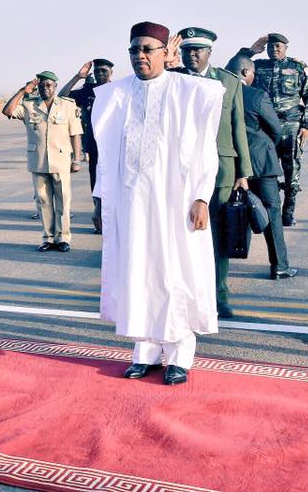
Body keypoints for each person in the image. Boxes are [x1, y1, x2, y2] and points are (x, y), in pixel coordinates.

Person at [92, 21, 223, 386]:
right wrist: (103, 200)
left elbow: (204, 149)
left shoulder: (188, 91)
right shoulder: (115, 96)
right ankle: (145, 351)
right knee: (138, 271)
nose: (140, 56)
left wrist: (201, 195)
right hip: (132, 202)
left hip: (174, 202)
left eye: (148, 49)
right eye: (134, 49)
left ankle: (179, 353)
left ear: (167, 53)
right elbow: (104, 155)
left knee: (173, 270)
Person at [176, 27, 252, 319]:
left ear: (209, 53)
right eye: (187, 50)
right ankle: (187, 294)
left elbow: (238, 126)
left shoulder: (228, 82)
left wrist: (243, 171)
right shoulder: (175, 80)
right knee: (184, 234)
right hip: (182, 169)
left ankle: (220, 294)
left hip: (221, 169)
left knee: (218, 235)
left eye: (197, 50)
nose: (191, 54)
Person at [228, 55, 299, 279]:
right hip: (262, 165)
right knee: (272, 214)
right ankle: (279, 266)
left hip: (231, 165)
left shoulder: (219, 93)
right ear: (245, 73)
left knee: (228, 215)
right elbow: (276, 130)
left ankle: (221, 269)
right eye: (252, 74)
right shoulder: (257, 95)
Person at [234, 33, 308, 226]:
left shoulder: (298, 68)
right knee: (262, 171)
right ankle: (263, 212)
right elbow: (235, 67)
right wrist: (250, 51)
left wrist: (307, 126)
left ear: (286, 47)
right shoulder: (258, 66)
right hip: (265, 128)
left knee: (291, 172)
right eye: (271, 46)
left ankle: (288, 213)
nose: (274, 49)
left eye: (278, 46)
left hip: (291, 126)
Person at [2, 71, 83, 252]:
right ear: (37, 87)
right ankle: (48, 238)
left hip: (61, 160)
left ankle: (63, 238)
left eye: (49, 85)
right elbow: (7, 111)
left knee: (63, 201)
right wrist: (23, 90)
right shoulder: (29, 106)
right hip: (39, 161)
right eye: (42, 85)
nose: (45, 88)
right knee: (43, 201)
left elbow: (75, 134)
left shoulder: (67, 106)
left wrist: (77, 160)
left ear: (55, 87)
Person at [60, 58, 114, 200]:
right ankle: (99, 215)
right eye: (97, 71)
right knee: (96, 185)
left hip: (115, 146)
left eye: (104, 70)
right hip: (94, 146)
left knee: (115, 185)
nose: (100, 73)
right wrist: (78, 77)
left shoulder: (118, 90)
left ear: (111, 72)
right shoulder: (87, 90)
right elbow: (62, 97)